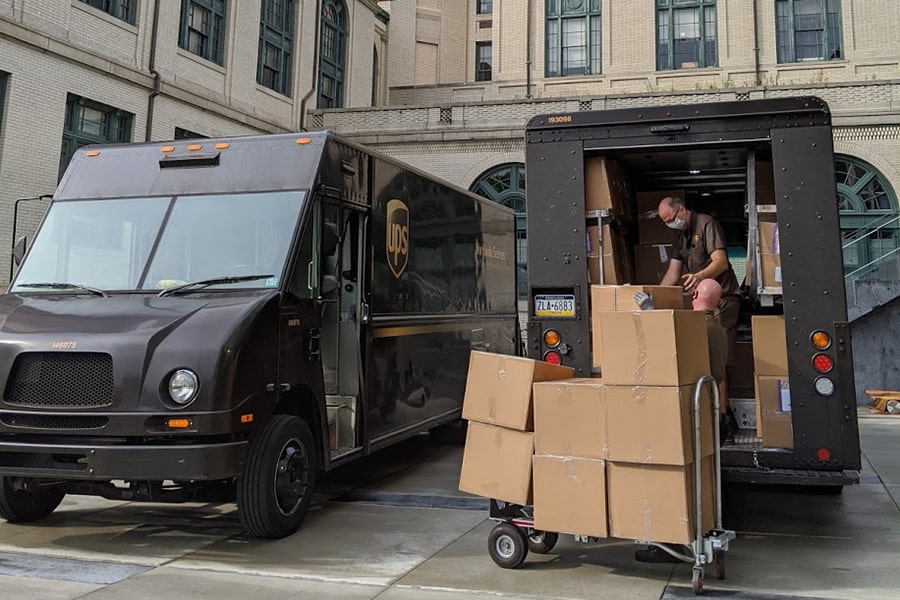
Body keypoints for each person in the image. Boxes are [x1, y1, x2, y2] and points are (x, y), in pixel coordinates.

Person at [631, 282, 731, 564]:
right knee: (700, 478)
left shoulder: (696, 326)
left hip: (684, 413)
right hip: (704, 413)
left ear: (696, 296)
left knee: (671, 477)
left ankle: (668, 544)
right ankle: (698, 531)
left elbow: (668, 345)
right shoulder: (719, 330)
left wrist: (650, 312)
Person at [657, 195, 740, 438]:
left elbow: (721, 262)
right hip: (700, 301)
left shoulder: (706, 224)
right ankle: (710, 412)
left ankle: (723, 419)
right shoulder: (679, 235)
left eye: (670, 219)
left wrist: (700, 276)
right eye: (665, 222)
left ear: (681, 210)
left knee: (717, 358)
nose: (669, 224)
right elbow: (672, 274)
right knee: (702, 356)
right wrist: (655, 298)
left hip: (722, 298)